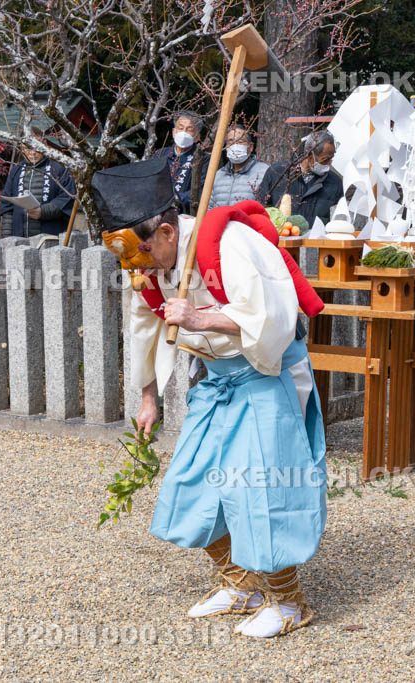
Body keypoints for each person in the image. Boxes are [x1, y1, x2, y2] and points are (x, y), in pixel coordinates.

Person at [91, 158, 326, 639]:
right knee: (193, 480)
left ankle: (289, 601)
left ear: (166, 233)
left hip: (266, 371)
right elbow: (144, 327)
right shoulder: (149, 264)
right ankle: (241, 585)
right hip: (218, 378)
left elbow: (275, 319)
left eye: (139, 251)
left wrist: (202, 319)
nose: (134, 267)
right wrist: (148, 397)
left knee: (259, 485)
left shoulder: (228, 242)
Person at [0, 128, 76, 239]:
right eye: (27, 148)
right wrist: (7, 239)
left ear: (44, 144)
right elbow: (7, 208)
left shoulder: (59, 169)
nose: (32, 152)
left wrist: (43, 212)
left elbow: (67, 198)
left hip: (49, 237)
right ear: (21, 148)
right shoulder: (16, 171)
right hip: (20, 238)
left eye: (36, 147)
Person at [257, 130, 342, 227]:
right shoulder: (277, 173)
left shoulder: (335, 183)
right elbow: (260, 208)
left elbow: (339, 220)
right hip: (281, 238)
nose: (328, 164)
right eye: (325, 160)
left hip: (317, 240)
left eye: (331, 159)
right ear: (310, 156)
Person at [152, 112, 209, 213]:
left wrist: (174, 201)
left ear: (197, 137)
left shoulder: (203, 159)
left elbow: (201, 190)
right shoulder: (160, 154)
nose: (184, 132)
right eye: (180, 128)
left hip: (185, 214)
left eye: (189, 129)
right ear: (174, 132)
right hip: (156, 209)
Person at [207, 125, 269, 209]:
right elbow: (209, 207)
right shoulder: (218, 175)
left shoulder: (264, 172)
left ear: (250, 147)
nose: (235, 146)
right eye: (231, 142)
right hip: (220, 221)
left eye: (240, 142)